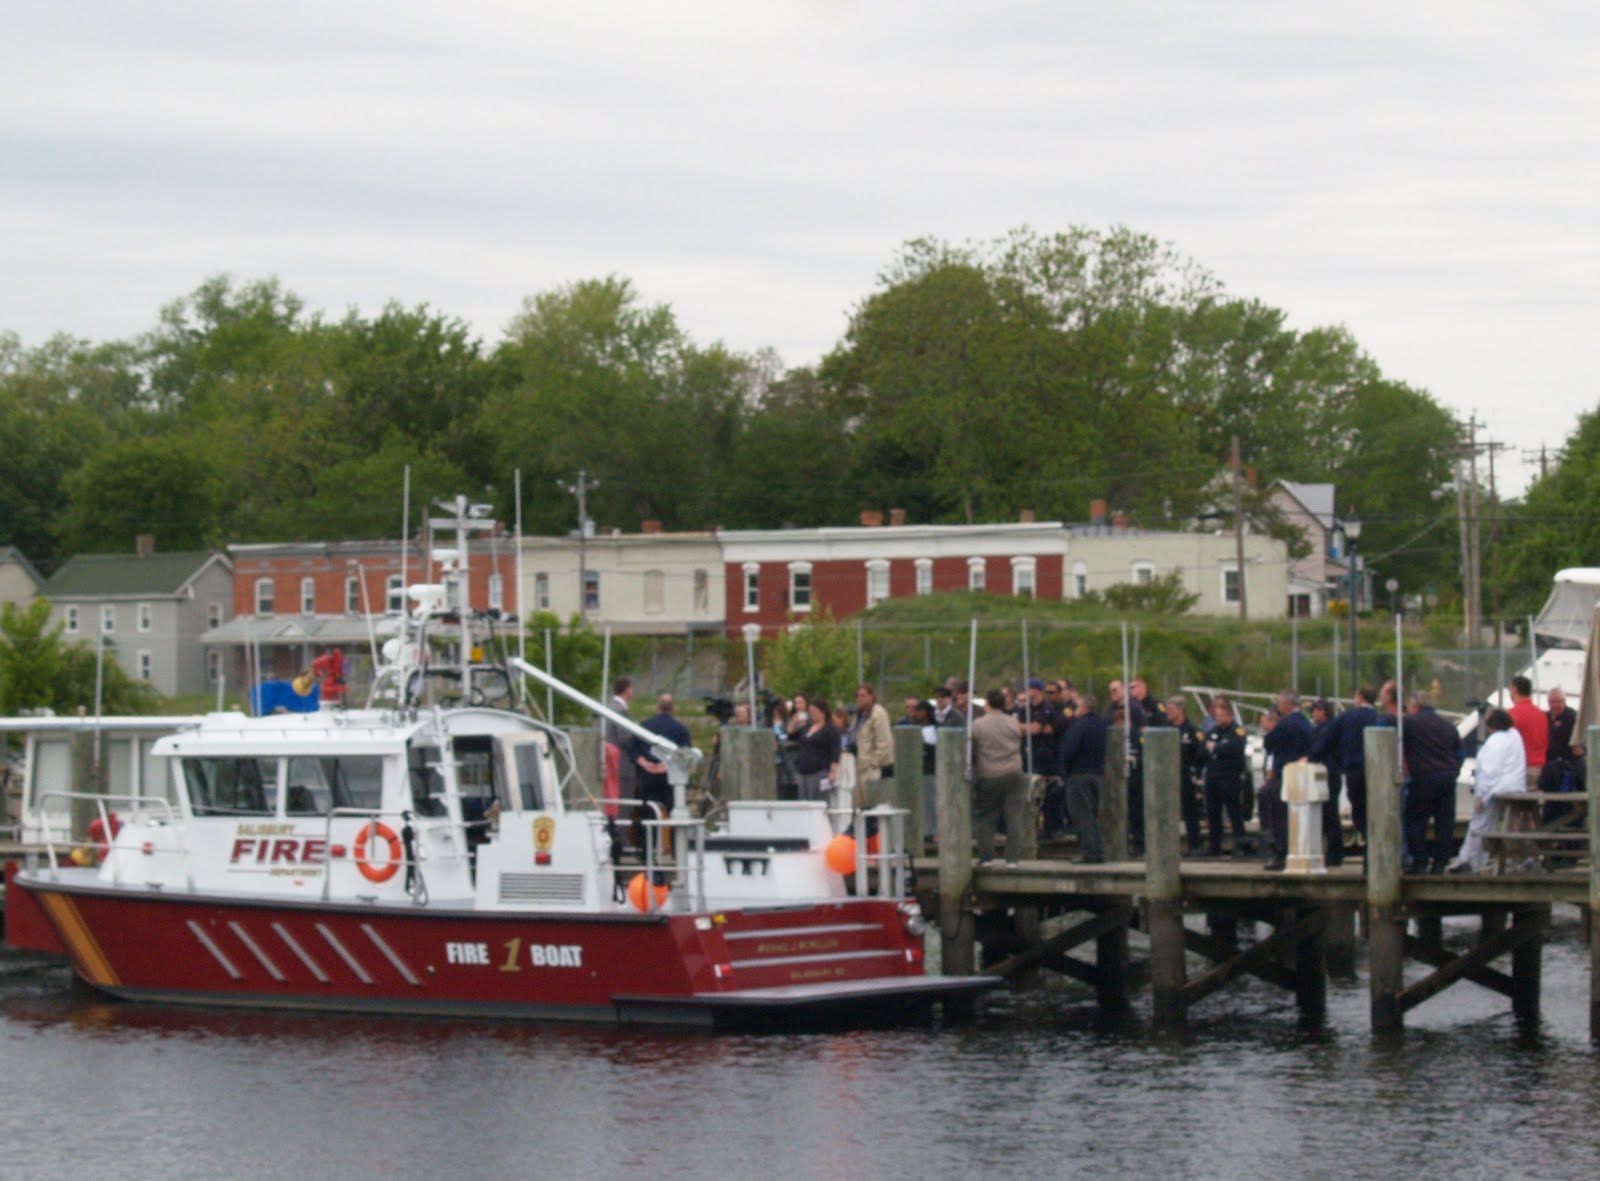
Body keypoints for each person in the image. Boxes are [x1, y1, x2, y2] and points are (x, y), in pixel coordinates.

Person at [1448, 708, 1526, 873]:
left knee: (1479, 822)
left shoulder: (1495, 741)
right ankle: (1479, 860)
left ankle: (1468, 860)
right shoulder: (1515, 735)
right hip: (1516, 785)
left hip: (1498, 787)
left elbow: (1489, 772)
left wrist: (1480, 796)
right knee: (1489, 825)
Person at [1311, 686, 1380, 852]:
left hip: (1354, 771)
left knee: (1359, 811)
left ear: (1359, 697)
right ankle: (1374, 848)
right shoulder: (1379, 717)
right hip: (1377, 772)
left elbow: (1327, 741)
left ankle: (1367, 842)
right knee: (1375, 812)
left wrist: (1311, 757)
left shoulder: (1347, 718)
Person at [1402, 691, 1463, 873]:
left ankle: (1420, 863)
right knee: (1444, 822)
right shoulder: (1447, 724)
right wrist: (1454, 771)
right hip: (1447, 778)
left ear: (1416, 706)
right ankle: (1439, 864)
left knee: (1416, 821)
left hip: (1423, 777)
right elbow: (1459, 753)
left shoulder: (1410, 723)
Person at [971, 688, 1028, 865]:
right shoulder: (1013, 722)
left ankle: (986, 857)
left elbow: (972, 747)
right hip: (1014, 772)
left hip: (989, 773)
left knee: (987, 817)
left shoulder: (978, 724)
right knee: (1014, 816)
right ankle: (1012, 859)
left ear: (987, 703)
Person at [1259, 690, 1313, 871]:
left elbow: (1269, 744)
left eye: (1280, 702)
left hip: (1284, 774)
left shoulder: (1285, 724)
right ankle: (1296, 851)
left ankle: (1280, 853)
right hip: (1302, 774)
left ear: (1287, 704)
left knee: (1278, 816)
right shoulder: (1305, 722)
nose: (1278, 706)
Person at [632, 694, 691, 855]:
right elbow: (685, 754)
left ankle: (647, 852)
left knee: (648, 815)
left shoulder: (644, 726)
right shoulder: (680, 729)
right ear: (672, 708)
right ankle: (676, 851)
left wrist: (645, 764)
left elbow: (634, 750)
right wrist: (666, 766)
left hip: (647, 776)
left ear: (658, 707)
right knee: (674, 815)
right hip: (670, 778)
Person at [1059, 691, 1108, 863]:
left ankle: (1090, 853)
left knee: (1081, 815)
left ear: (1084, 707)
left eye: (1077, 706)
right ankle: (1097, 850)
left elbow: (1068, 751)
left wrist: (1064, 769)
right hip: (1096, 774)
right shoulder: (1101, 725)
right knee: (1092, 814)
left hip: (1079, 775)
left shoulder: (1079, 726)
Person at [1200, 696, 1249, 858]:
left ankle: (1240, 845)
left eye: (1222, 715)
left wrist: (1216, 748)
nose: (1219, 719)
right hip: (1213, 778)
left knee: (1234, 812)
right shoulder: (1213, 731)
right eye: (1217, 716)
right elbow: (1203, 749)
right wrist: (1217, 748)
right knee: (1213, 813)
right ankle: (1214, 846)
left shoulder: (1237, 731)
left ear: (1229, 715)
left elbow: (1234, 747)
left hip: (1230, 778)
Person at [1161, 696, 1205, 856]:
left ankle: (1194, 845)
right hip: (1167, 776)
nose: (1168, 713)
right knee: (1166, 811)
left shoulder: (1192, 730)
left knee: (1190, 812)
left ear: (1180, 710)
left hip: (1185, 775)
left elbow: (1201, 753)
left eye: (1171, 710)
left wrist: (1195, 770)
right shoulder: (1165, 729)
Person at [1308, 698, 1345, 867]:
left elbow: (1320, 749)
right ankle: (1331, 851)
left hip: (1328, 773)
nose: (1313, 713)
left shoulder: (1328, 728)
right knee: (1326, 814)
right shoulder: (1322, 728)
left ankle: (1335, 853)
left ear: (1323, 711)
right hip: (1325, 773)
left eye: (1315, 710)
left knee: (1330, 814)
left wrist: (1309, 757)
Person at [790, 696, 840, 803]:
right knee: (802, 801)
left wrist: (832, 771)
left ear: (822, 712)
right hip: (802, 769)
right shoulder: (806, 727)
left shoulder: (830, 729)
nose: (811, 714)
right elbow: (791, 734)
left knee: (816, 800)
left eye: (814, 711)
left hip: (818, 770)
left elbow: (835, 751)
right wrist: (794, 721)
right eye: (810, 712)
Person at [850, 684, 895, 802]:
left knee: (874, 802)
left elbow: (884, 742)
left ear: (872, 696)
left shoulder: (878, 713)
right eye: (858, 696)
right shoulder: (858, 714)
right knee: (861, 803)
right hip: (860, 764)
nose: (860, 698)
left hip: (873, 766)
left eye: (863, 695)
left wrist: (874, 762)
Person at [603, 676, 634, 825]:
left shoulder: (609, 707)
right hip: (620, 762)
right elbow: (624, 737)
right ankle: (620, 835)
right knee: (621, 797)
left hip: (610, 759)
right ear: (627, 690)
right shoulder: (620, 710)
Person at [1506, 675, 1546, 788]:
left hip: (1521, 769)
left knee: (1516, 804)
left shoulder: (1512, 714)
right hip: (1539, 768)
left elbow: (1506, 744)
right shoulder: (1541, 714)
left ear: (1514, 689)